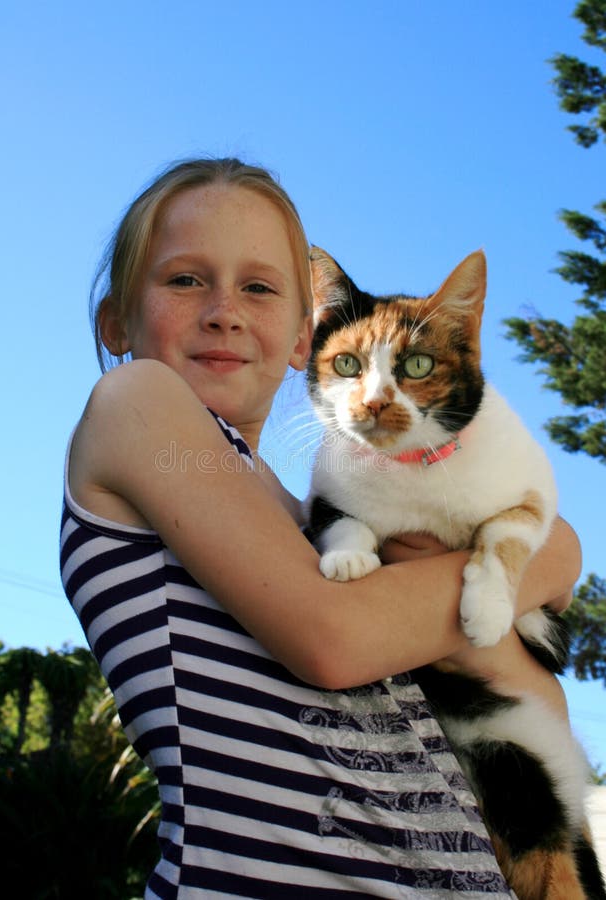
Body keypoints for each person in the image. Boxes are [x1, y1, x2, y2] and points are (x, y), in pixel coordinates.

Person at [60, 157, 580, 898]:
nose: (224, 311)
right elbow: (335, 641)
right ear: (116, 321)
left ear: (305, 338)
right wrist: (552, 552)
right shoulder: (139, 406)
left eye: (260, 288)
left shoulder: (300, 515)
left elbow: (522, 698)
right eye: (184, 280)